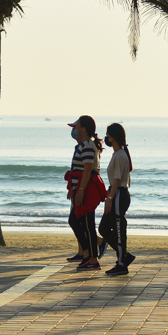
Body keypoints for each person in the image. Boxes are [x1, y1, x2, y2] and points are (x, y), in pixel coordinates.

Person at [65, 115, 106, 270]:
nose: (74, 130)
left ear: (84, 128)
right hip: (81, 188)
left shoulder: (88, 146)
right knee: (80, 222)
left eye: (76, 127)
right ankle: (89, 256)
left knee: (84, 222)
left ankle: (92, 258)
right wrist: (74, 189)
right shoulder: (83, 146)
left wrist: (81, 190)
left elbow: (88, 170)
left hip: (88, 190)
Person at [99, 123, 135, 275]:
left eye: (108, 135)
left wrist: (110, 199)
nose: (106, 138)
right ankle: (125, 256)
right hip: (116, 192)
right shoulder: (117, 154)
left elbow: (118, 179)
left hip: (119, 194)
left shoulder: (120, 155)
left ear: (113, 137)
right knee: (104, 228)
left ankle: (121, 263)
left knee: (119, 230)